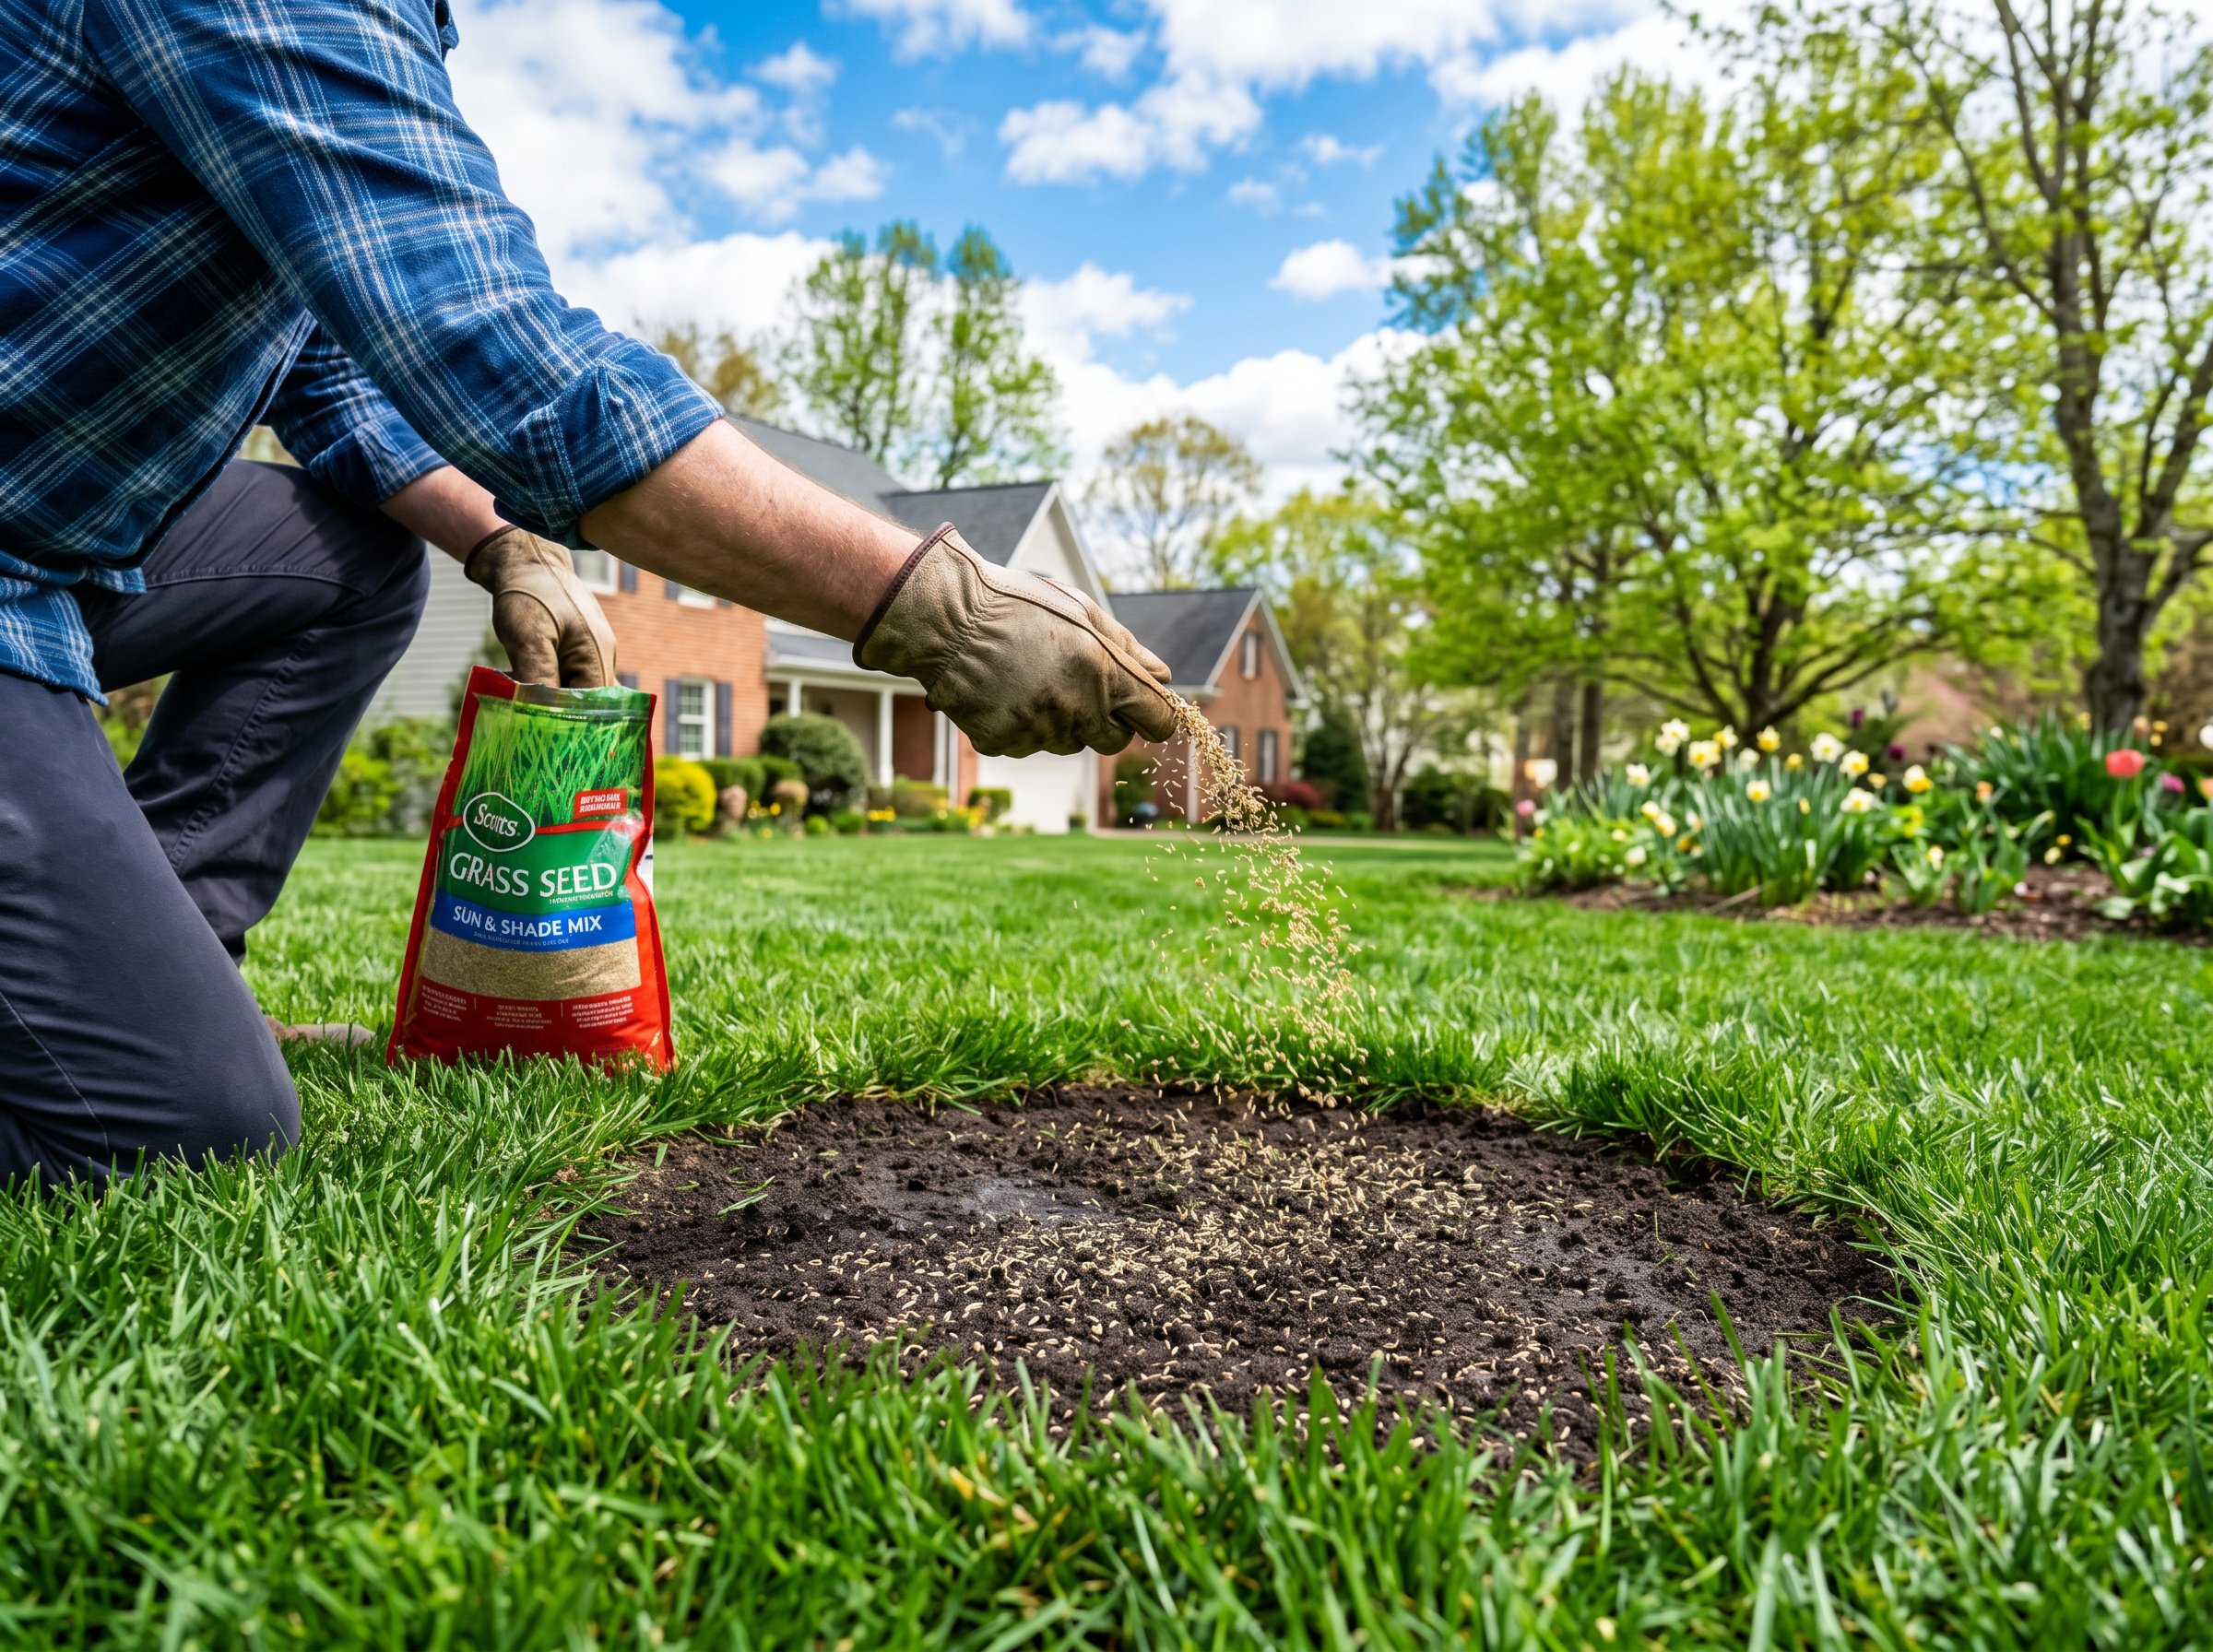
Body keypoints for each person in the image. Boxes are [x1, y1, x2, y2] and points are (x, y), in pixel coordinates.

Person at [0, 0, 1178, 1190]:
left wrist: (505, 546)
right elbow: (499, 348)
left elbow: (325, 369)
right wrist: (935, 608)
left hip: (48, 545)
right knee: (185, 1127)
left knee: (353, 557)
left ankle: (175, 961)